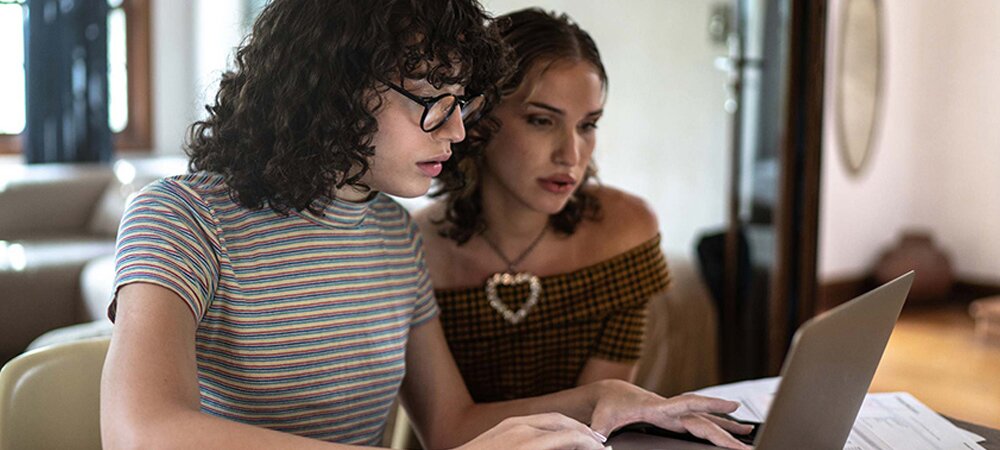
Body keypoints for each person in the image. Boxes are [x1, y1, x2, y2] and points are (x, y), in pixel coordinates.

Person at [99, 1, 752, 449]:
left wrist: (600, 398)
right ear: (334, 86)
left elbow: (450, 425)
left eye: (461, 103)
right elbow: (142, 432)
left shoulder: (390, 233)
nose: (461, 130)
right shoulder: (182, 217)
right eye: (434, 103)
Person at [417, 8, 668, 402]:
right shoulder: (412, 250)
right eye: (541, 121)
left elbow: (601, 421)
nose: (571, 155)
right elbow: (444, 433)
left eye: (587, 125)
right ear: (478, 119)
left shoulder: (626, 232)